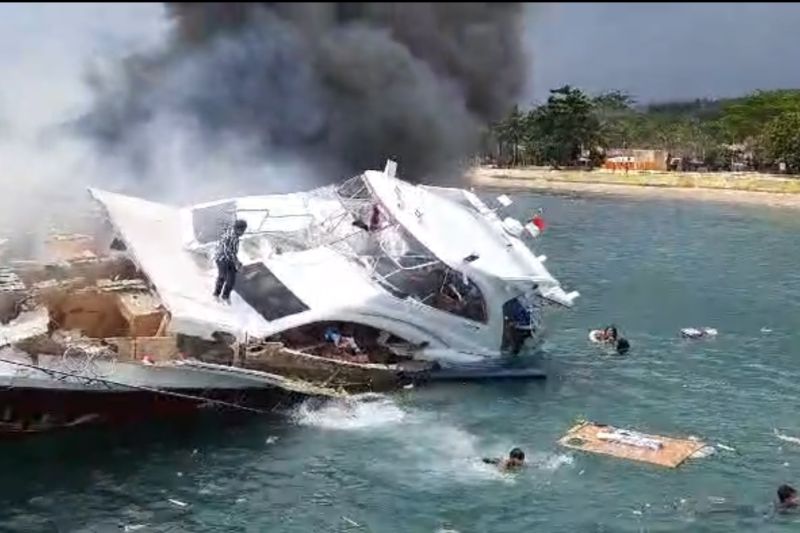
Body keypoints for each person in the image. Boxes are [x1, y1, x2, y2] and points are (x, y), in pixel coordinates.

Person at [213, 219, 247, 303]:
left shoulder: (236, 236)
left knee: (231, 279)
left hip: (230, 259)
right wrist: (236, 262)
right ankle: (216, 294)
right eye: (242, 230)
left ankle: (225, 296)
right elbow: (227, 251)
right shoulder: (229, 236)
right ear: (238, 229)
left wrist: (236, 262)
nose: (243, 232)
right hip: (221, 258)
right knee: (223, 276)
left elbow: (232, 252)